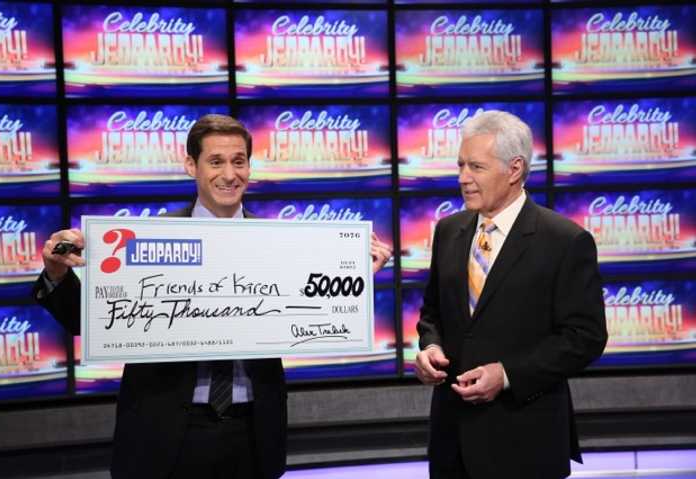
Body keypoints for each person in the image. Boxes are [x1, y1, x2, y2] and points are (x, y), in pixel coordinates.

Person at [34, 114, 392, 479]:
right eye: (216, 161)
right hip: (165, 434)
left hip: (251, 434)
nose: (229, 174)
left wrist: (356, 277)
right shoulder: (146, 239)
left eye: (239, 161)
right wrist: (58, 272)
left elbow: (318, 311)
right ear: (191, 165)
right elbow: (85, 322)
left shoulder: (283, 244)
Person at [414, 110, 607, 479]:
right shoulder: (448, 231)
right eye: (460, 166)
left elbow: (585, 338)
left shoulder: (564, 241)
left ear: (515, 169)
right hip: (451, 444)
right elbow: (431, 313)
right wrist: (430, 348)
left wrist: (506, 375)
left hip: (525, 443)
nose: (463, 179)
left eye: (476, 167)